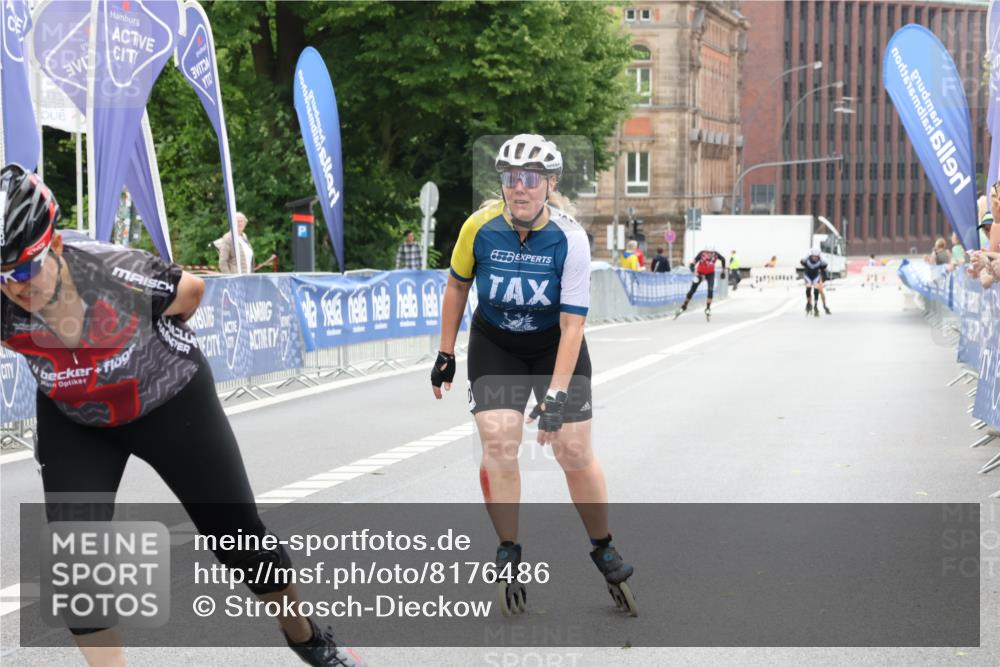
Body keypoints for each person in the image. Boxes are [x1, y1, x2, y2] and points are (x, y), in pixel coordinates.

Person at [0, 165, 364, 667]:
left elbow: (191, 292)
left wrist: (144, 346)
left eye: (24, 269)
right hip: (76, 415)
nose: (15, 287)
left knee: (236, 535)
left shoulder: (111, 271)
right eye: (1, 276)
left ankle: (305, 637)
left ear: (55, 244)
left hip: (165, 396)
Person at [429, 134, 636, 617]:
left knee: (573, 449)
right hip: (496, 341)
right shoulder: (479, 227)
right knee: (499, 439)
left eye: (529, 179)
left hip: (553, 345)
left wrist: (557, 397)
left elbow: (573, 324)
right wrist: (445, 353)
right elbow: (457, 287)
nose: (518, 189)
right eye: (509, 179)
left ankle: (603, 546)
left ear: (550, 184)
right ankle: (509, 551)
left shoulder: (571, 239)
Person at [674, 245, 725, 320]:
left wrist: (723, 271)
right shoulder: (701, 254)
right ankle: (684, 306)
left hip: (710, 274)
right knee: (692, 291)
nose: (709, 254)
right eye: (708, 252)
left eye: (711, 253)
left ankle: (708, 308)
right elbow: (693, 262)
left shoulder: (716, 255)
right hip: (700, 273)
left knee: (710, 290)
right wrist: (692, 267)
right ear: (705, 251)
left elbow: (723, 259)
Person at [802, 247, 830, 316]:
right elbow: (802, 260)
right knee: (808, 288)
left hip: (818, 276)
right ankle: (809, 304)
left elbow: (825, 266)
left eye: (816, 257)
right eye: (813, 256)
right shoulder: (807, 259)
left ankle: (824, 305)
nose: (815, 258)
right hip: (809, 276)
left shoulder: (821, 260)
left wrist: (824, 279)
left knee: (820, 290)